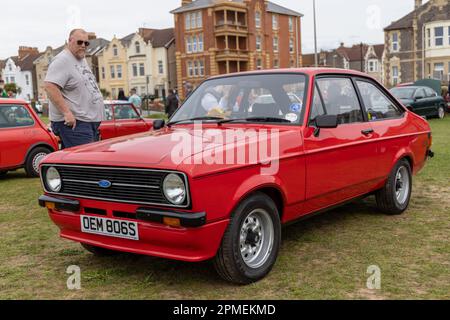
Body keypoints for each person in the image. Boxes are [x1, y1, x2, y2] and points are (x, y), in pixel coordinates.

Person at [45, 29, 104, 149]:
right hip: (75, 124)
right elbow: (50, 86)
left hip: (87, 122)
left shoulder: (80, 58)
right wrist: (66, 113)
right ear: (70, 41)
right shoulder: (62, 60)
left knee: (77, 163)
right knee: (86, 162)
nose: (83, 46)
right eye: (79, 42)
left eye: (86, 43)